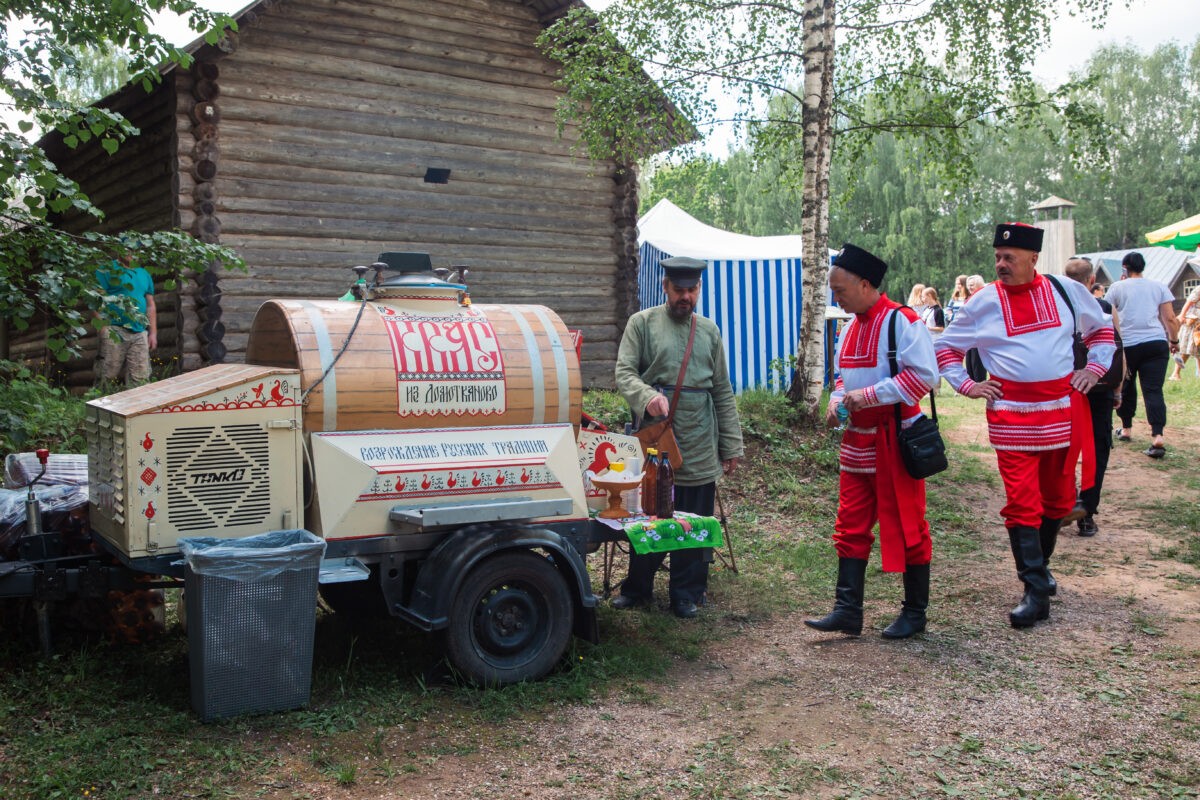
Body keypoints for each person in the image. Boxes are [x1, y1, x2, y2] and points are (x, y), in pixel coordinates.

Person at [935, 223, 1115, 628]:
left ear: (1033, 259)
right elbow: (946, 347)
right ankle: (1034, 590)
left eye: (1009, 257)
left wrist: (1095, 367)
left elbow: (1102, 329)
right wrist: (967, 384)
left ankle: (1042, 567)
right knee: (1021, 503)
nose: (1001, 264)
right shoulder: (982, 302)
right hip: (1010, 415)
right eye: (997, 257)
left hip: (1061, 413)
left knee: (1055, 501)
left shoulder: (1066, 291)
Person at [805, 244, 938, 640]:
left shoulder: (903, 321)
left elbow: (924, 378)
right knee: (850, 525)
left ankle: (914, 613)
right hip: (856, 442)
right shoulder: (848, 329)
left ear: (865, 284)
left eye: (841, 290)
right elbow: (843, 378)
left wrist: (870, 396)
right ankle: (848, 611)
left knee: (909, 525)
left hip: (895, 439)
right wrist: (836, 402)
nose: (836, 298)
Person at [613, 256, 744, 619]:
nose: (686, 297)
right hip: (657, 437)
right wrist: (647, 397)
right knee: (651, 516)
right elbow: (624, 373)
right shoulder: (641, 324)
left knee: (694, 520)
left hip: (700, 440)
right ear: (665, 287)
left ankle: (686, 594)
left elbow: (722, 390)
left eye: (692, 290)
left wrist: (731, 444)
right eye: (679, 290)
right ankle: (637, 589)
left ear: (698, 290)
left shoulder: (709, 332)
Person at [1064, 257, 1124, 537]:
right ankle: (1087, 512)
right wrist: (1118, 388)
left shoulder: (1058, 307)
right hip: (1099, 386)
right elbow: (1116, 346)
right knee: (1098, 449)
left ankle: (1064, 502)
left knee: (1062, 447)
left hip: (1066, 388)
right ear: (1091, 281)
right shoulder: (1103, 307)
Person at [1106, 252, 1180, 458]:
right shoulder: (1158, 286)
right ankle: (1157, 436)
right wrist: (1174, 341)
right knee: (1153, 390)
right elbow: (1171, 318)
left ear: (1124, 268)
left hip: (1128, 345)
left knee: (1127, 387)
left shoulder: (1116, 287)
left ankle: (1126, 428)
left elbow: (1106, 315)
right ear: (1143, 266)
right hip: (1155, 343)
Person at [95, 250, 157, 386]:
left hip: (140, 332)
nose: (131, 253)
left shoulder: (143, 273)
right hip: (113, 329)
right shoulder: (106, 270)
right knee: (108, 374)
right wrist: (102, 328)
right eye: (127, 249)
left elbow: (150, 305)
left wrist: (153, 333)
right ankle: (97, 405)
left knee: (140, 378)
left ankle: (138, 406)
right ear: (119, 249)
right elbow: (96, 299)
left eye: (135, 250)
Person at [1168, 284, 1200, 380]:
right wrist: (1182, 315)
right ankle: (1175, 373)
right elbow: (1189, 302)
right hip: (1194, 322)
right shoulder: (1199, 289)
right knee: (1186, 349)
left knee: (1198, 351)